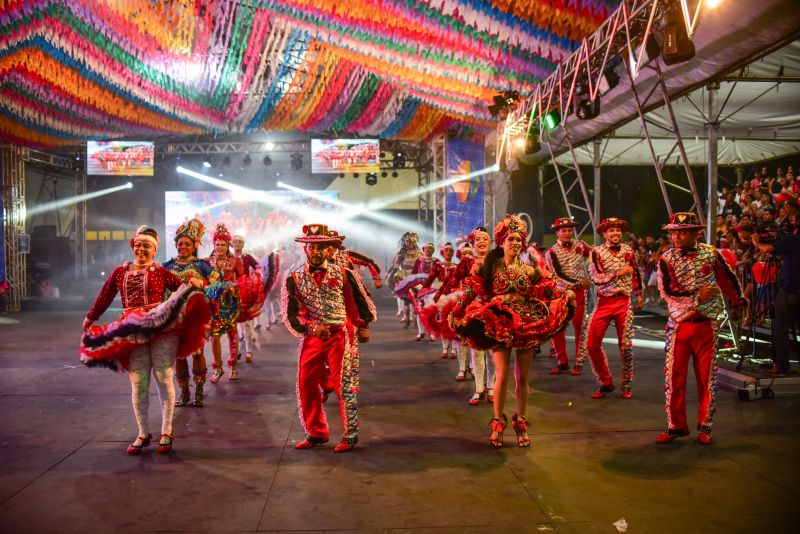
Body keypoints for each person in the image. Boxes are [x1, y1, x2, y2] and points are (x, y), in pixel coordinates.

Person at [80, 226, 210, 454]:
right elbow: (105, 295)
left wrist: (194, 284)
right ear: (133, 246)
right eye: (138, 245)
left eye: (146, 246)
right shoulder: (120, 272)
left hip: (160, 327)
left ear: (154, 249)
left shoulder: (160, 271)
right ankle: (142, 433)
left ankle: (167, 431)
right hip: (132, 330)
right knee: (139, 382)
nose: (141, 249)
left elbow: (180, 289)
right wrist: (91, 317)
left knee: (163, 376)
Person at [452, 215, 575, 448]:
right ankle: (498, 423)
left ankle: (521, 422)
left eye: (519, 239)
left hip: (527, 324)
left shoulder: (529, 270)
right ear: (501, 242)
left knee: (523, 376)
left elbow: (550, 288)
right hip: (498, 323)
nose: (516, 243)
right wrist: (456, 311)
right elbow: (471, 290)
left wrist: (565, 295)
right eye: (511, 239)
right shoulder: (488, 266)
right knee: (502, 374)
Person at [283, 224, 376, 452]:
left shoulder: (343, 273)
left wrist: (363, 325)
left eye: (320, 247)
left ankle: (351, 434)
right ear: (305, 249)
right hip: (313, 336)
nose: (315, 251)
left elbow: (359, 302)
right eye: (311, 247)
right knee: (305, 383)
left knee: (343, 384)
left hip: (339, 335)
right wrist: (312, 329)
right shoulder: (294, 278)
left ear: (330, 251)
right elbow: (292, 315)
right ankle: (316, 432)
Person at [656, 213, 746, 444]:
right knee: (674, 378)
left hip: (707, 324)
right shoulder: (666, 259)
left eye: (683, 231)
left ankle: (705, 426)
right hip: (678, 325)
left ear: (697, 233)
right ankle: (675, 426)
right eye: (674, 232)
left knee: (707, 378)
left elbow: (728, 278)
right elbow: (667, 292)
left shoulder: (711, 253)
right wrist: (697, 296)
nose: (677, 236)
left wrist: (738, 301)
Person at [577, 217, 643, 398]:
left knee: (626, 346)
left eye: (618, 230)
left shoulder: (629, 251)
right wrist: (617, 273)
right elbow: (596, 278)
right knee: (591, 344)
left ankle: (626, 384)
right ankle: (605, 381)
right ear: (604, 234)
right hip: (604, 302)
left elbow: (636, 272)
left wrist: (639, 294)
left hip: (624, 302)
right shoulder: (596, 253)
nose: (615, 233)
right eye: (611, 230)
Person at [163, 218, 214, 407]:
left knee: (197, 352)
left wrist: (204, 284)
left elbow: (220, 284)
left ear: (194, 245)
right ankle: (184, 392)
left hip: (195, 317)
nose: (183, 246)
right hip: (175, 317)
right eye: (180, 243)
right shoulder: (167, 266)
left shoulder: (202, 265)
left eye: (187, 244)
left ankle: (199, 392)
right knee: (180, 355)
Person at [544, 217, 591, 375]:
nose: (567, 233)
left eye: (570, 230)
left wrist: (594, 274)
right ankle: (562, 361)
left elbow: (597, 256)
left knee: (580, 327)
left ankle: (579, 362)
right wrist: (580, 282)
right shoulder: (551, 252)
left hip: (579, 293)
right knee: (557, 329)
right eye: (563, 230)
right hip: (561, 293)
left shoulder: (580, 245)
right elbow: (558, 275)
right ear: (557, 233)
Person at [752, 231, 800, 375]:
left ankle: (781, 366)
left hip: (789, 291)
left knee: (780, 329)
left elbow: (768, 249)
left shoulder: (794, 239)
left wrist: (757, 243)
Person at [207, 224, 244, 382]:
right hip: (213, 305)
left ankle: (234, 367)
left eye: (223, 244)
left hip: (230, 304)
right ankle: (218, 368)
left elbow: (243, 279)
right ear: (213, 246)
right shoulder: (207, 262)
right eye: (217, 244)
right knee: (214, 338)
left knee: (232, 335)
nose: (220, 247)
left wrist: (234, 288)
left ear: (227, 245)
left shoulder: (234, 261)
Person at [232, 234, 261, 363]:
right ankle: (237, 351)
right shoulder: (228, 258)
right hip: (231, 292)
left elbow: (258, 267)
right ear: (232, 244)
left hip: (246, 292)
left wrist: (255, 277)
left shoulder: (247, 257)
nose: (237, 244)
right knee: (234, 323)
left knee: (247, 323)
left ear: (243, 244)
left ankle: (248, 351)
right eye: (235, 241)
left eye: (239, 242)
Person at [387, 232, 421, 326]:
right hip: (403, 277)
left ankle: (414, 316)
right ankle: (405, 315)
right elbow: (395, 267)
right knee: (406, 298)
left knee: (416, 298)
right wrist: (390, 276)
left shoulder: (419, 253)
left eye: (412, 242)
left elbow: (422, 266)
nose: (410, 243)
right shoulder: (401, 254)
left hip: (415, 277)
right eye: (408, 242)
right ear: (405, 242)